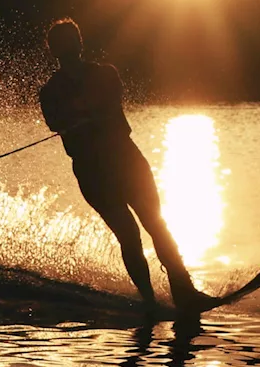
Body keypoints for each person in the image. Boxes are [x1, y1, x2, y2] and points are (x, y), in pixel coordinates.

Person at [38, 18, 216, 314]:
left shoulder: (105, 74)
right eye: (64, 43)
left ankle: (185, 291)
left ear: (80, 43)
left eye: (74, 40)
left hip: (126, 159)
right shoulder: (49, 91)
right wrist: (76, 117)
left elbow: (110, 99)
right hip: (91, 171)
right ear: (55, 50)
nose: (71, 46)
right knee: (129, 236)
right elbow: (55, 122)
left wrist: (83, 111)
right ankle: (149, 301)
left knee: (156, 224)